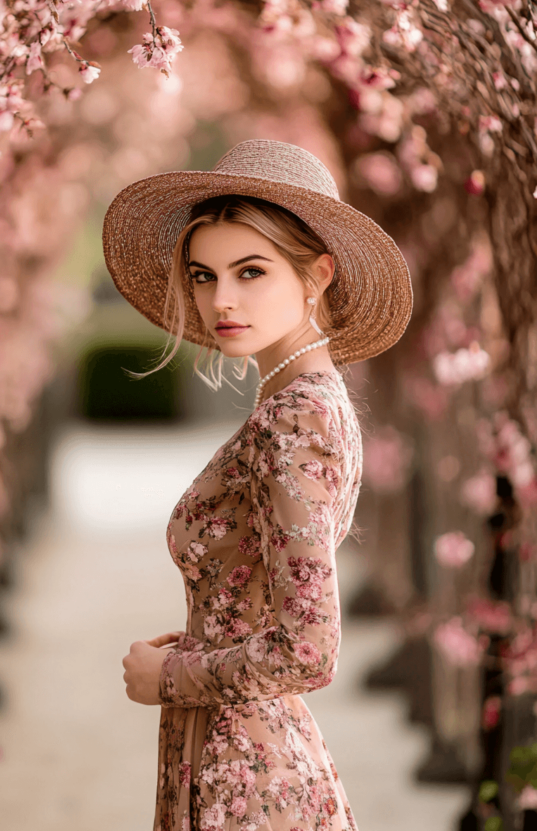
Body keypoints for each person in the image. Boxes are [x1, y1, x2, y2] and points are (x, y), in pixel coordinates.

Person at [102, 139, 412, 831]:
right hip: (226, 750)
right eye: (203, 275)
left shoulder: (296, 418)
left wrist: (169, 679)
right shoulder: (304, 400)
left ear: (318, 274)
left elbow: (308, 647)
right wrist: (191, 649)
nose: (222, 299)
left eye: (250, 271)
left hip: (246, 777)